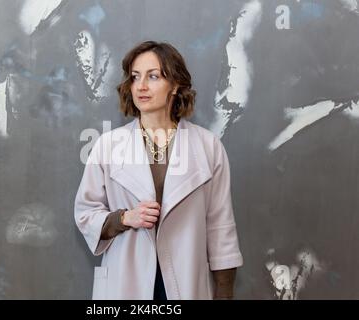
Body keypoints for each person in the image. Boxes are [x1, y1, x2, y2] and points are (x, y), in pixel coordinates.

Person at [74, 40, 243, 300]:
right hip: (126, 282)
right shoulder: (107, 145)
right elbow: (86, 213)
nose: (141, 86)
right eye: (135, 77)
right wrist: (123, 218)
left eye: (153, 76)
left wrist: (224, 292)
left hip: (185, 283)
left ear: (175, 85)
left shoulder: (208, 146)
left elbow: (220, 227)